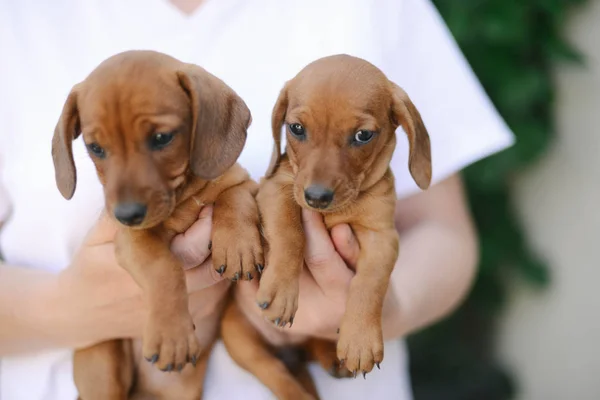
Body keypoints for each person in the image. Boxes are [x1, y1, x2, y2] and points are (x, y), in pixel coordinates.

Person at [0, 0, 515, 398]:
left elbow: (442, 229)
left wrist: (375, 308)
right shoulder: (18, 19)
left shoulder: (376, 7)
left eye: (161, 137)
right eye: (96, 148)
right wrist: (70, 307)